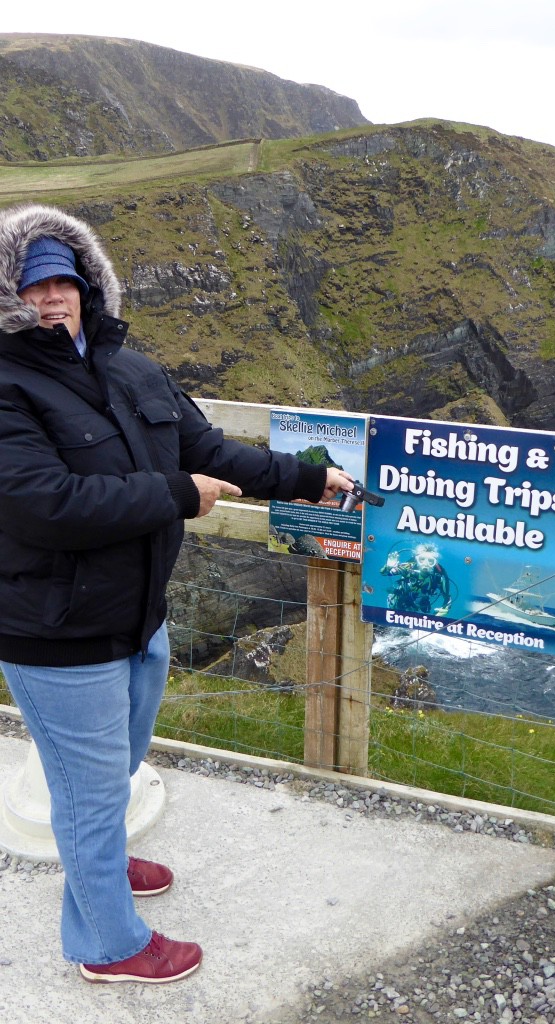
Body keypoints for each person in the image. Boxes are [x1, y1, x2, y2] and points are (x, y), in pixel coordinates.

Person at [0, 203, 355, 984]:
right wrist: (176, 494)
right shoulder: (6, 384)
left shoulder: (133, 368)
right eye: (34, 286)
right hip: (56, 628)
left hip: (138, 615)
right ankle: (109, 946)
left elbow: (212, 449)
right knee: (87, 791)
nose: (52, 297)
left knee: (116, 769)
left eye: (65, 280)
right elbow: (43, 504)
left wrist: (307, 478)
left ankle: (103, 868)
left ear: (91, 286)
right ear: (10, 295)